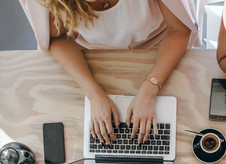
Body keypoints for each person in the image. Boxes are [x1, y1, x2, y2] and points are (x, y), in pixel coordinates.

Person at [19, 0, 199, 145]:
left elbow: (179, 30)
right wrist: (94, 94)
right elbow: (58, 38)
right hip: (92, 58)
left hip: (160, 49)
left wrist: (151, 86)